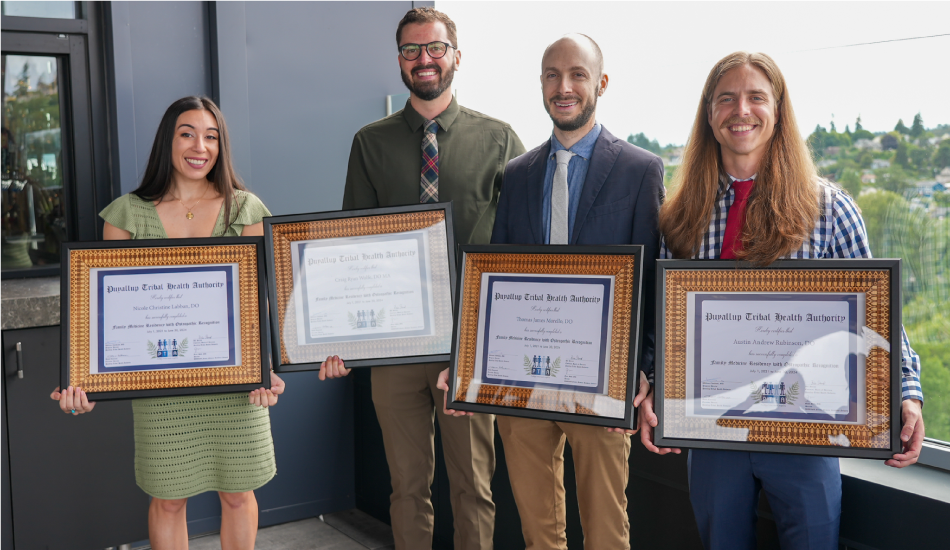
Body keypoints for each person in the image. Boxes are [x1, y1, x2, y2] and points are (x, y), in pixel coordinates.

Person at [639, 51, 925, 550]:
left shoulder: (829, 208)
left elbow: (879, 311)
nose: (741, 110)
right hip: (712, 430)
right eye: (726, 99)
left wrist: (906, 389)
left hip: (807, 429)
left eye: (756, 97)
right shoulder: (682, 214)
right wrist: (656, 391)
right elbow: (670, 327)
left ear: (778, 109)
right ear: (710, 114)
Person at [440, 34, 663, 549]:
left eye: (577, 75)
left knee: (607, 530)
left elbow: (651, 284)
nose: (563, 87)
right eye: (551, 75)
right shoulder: (517, 174)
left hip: (604, 386)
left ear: (600, 83)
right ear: (541, 84)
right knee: (539, 531)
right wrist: (470, 360)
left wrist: (643, 372)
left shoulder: (640, 170)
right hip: (523, 383)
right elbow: (498, 279)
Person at [318, 7, 525, 550]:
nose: (424, 59)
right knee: (407, 488)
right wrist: (338, 334)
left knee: (474, 486)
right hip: (395, 345)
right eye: (411, 50)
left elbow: (520, 253)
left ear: (457, 55)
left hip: (468, 346)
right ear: (399, 61)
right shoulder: (370, 142)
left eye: (434, 48)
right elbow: (350, 248)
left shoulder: (500, 140)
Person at [50, 96, 286, 550]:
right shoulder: (127, 214)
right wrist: (85, 381)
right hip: (162, 384)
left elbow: (261, 303)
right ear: (168, 141)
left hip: (234, 384)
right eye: (187, 133)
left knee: (239, 495)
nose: (200, 146)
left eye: (211, 136)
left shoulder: (247, 210)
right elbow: (104, 312)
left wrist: (264, 369)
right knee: (169, 499)